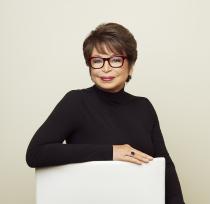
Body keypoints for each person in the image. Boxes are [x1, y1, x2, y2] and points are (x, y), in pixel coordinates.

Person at [26, 22, 185, 204]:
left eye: (116, 60)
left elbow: (166, 169)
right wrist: (111, 152)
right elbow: (36, 153)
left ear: (130, 65)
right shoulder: (76, 101)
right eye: (97, 60)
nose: (106, 68)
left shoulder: (144, 107)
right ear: (90, 66)